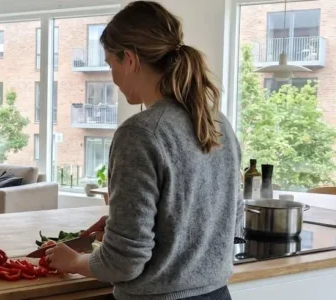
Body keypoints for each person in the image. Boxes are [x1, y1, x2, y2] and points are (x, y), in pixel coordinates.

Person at [44, 1, 243, 300]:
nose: (113, 77)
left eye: (111, 64)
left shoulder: (140, 132)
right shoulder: (217, 122)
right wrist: (125, 228)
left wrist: (74, 261)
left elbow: (123, 263)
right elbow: (232, 221)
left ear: (130, 59)